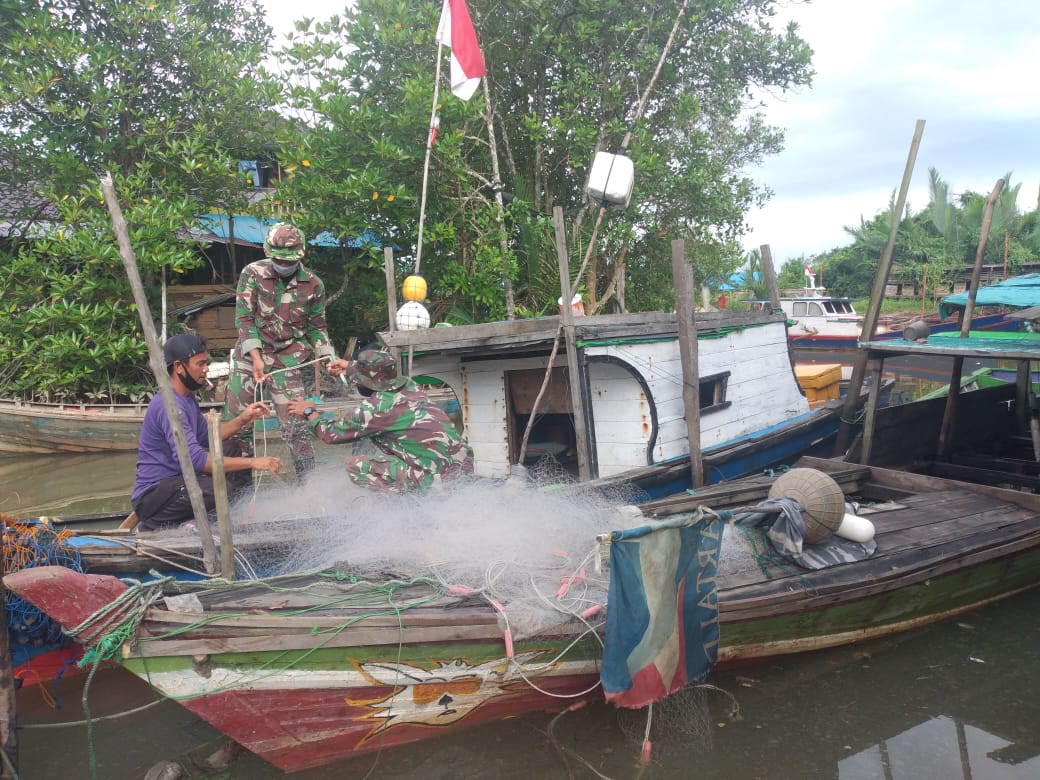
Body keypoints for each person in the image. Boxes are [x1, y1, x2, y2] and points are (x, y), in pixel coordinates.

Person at [132, 334, 282, 532]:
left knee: (237, 449)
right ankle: (154, 527)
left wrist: (243, 418)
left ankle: (234, 515)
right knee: (218, 489)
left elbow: (207, 437)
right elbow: (196, 460)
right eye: (200, 364)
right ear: (179, 367)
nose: (206, 370)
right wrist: (254, 463)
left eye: (206, 363)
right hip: (153, 496)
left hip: (179, 482)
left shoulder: (187, 398)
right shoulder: (168, 406)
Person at [223, 222, 336, 479]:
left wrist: (328, 354)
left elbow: (317, 327)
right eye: (279, 260)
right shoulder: (251, 273)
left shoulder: (314, 285)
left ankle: (308, 488)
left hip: (289, 359)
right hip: (250, 356)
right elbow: (244, 319)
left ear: (301, 255)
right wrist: (256, 357)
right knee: (236, 422)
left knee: (297, 426)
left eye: (289, 261)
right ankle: (236, 486)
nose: (284, 265)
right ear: (268, 252)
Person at [287, 349, 473, 492]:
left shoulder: (375, 409)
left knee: (357, 466)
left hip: (437, 481)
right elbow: (377, 374)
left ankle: (406, 511)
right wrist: (351, 367)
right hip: (463, 470)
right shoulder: (411, 386)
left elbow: (330, 434)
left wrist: (309, 411)